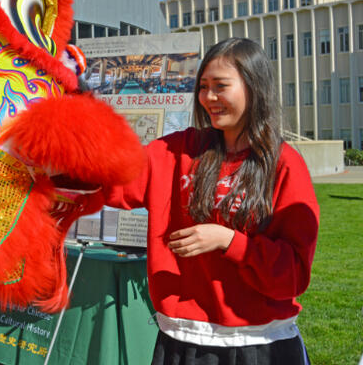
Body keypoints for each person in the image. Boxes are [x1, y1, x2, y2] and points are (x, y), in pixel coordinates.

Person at [93, 38, 318, 364]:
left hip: (260, 343)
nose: (209, 97)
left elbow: (294, 273)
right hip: (184, 339)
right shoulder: (177, 151)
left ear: (254, 87)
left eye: (221, 86)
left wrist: (228, 241)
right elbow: (111, 179)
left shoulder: (284, 164)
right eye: (203, 86)